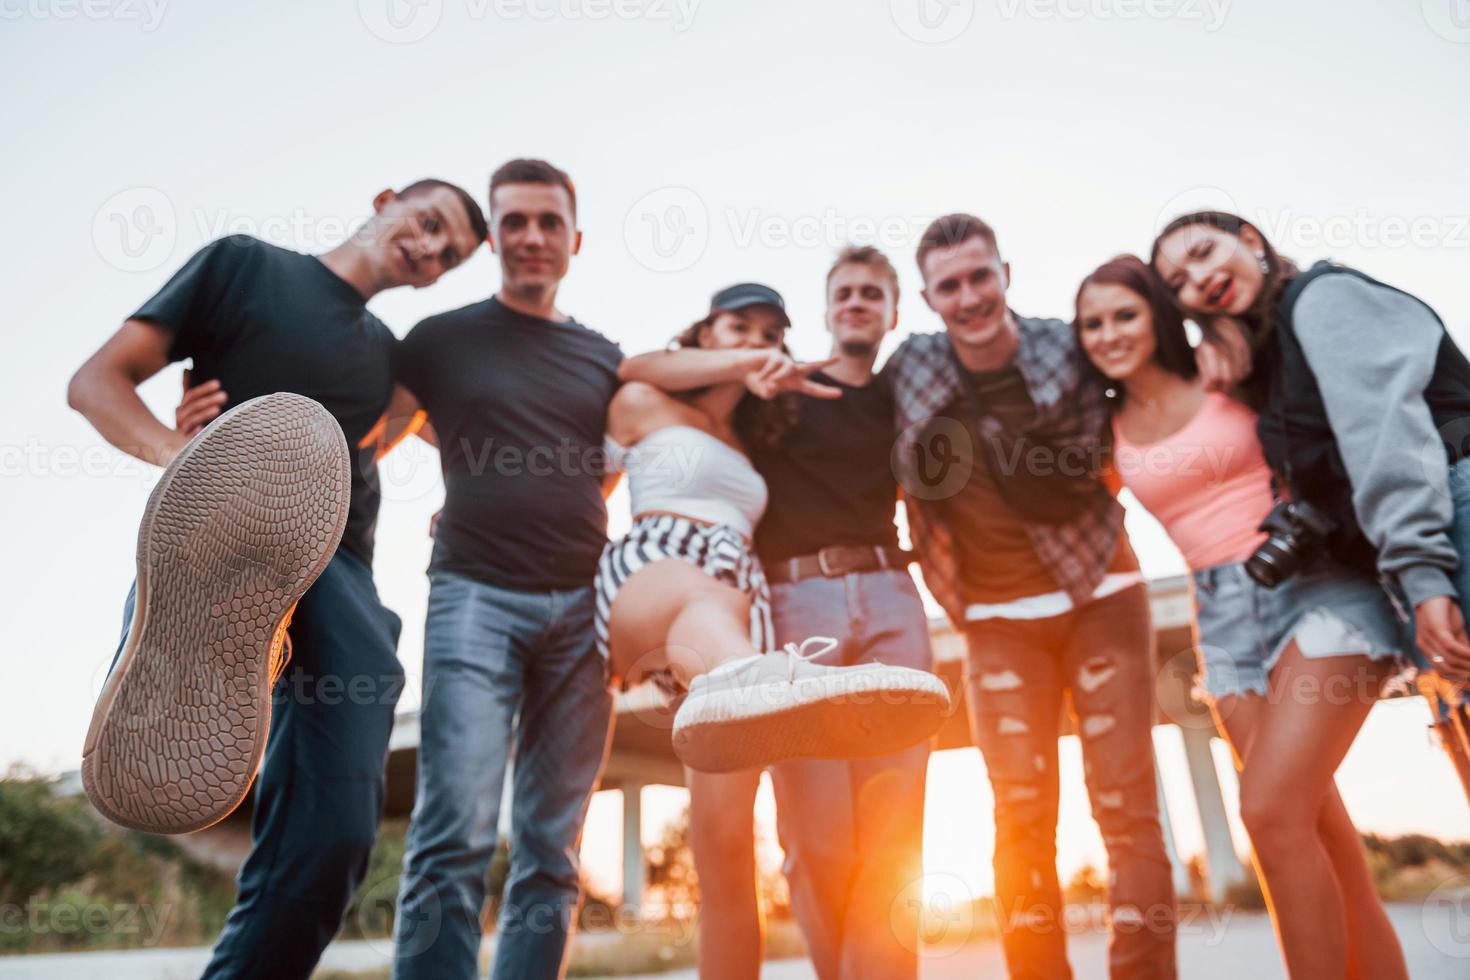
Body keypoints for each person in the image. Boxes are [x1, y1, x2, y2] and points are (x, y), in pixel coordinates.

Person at [67, 179, 487, 980]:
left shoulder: (395, 361)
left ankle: (256, 645)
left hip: (345, 569)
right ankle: (215, 629)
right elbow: (96, 380)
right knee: (234, 554)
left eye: (450, 256)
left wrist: (473, 497)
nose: (432, 251)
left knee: (336, 838)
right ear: (387, 198)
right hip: (228, 528)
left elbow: (467, 433)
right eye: (429, 224)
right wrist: (178, 452)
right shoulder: (245, 267)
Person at [1074, 253, 1410, 979]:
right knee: (1319, 828)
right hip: (1219, 616)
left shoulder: (1224, 363)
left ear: (1158, 313)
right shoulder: (1106, 426)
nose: (1109, 333)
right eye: (1092, 323)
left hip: (1317, 584)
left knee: (1268, 810)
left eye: (1124, 314)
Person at [1152, 212, 1470, 973]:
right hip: (1419, 554)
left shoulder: (1324, 301)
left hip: (1452, 518)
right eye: (1178, 281)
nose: (1198, 279)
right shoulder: (1270, 353)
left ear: (1251, 240)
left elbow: (1387, 439)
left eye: (1205, 252)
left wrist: (1423, 575)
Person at [603, 279, 947, 980]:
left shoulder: (757, 434)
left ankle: (745, 681)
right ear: (703, 335)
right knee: (707, 604)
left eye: (769, 333)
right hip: (660, 568)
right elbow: (622, 390)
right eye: (739, 327)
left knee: (725, 848)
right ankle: (758, 679)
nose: (757, 341)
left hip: (742, 599)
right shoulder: (644, 401)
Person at [886, 214, 1178, 979]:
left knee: (1126, 804)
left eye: (981, 276)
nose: (969, 296)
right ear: (927, 296)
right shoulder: (912, 366)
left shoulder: (1066, 343)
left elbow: (1146, 387)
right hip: (993, 617)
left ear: (1006, 272)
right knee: (1018, 814)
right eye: (949, 284)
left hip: (1102, 592)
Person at [385, 160, 623, 980]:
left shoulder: (603, 357)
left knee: (554, 847)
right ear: (493, 236)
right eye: (515, 221)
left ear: (575, 241)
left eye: (549, 223)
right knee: (455, 832)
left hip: (586, 614)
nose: (532, 237)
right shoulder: (441, 340)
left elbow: (609, 462)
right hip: (474, 597)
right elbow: (373, 430)